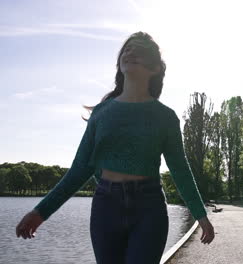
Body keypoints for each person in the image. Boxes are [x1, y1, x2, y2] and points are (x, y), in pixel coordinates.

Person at [15, 31, 215, 264]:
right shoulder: (102, 113)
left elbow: (180, 170)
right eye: (127, 48)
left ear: (155, 68)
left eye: (140, 49)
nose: (130, 52)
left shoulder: (166, 118)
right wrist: (40, 213)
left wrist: (201, 215)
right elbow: (79, 169)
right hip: (105, 208)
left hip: (149, 209)